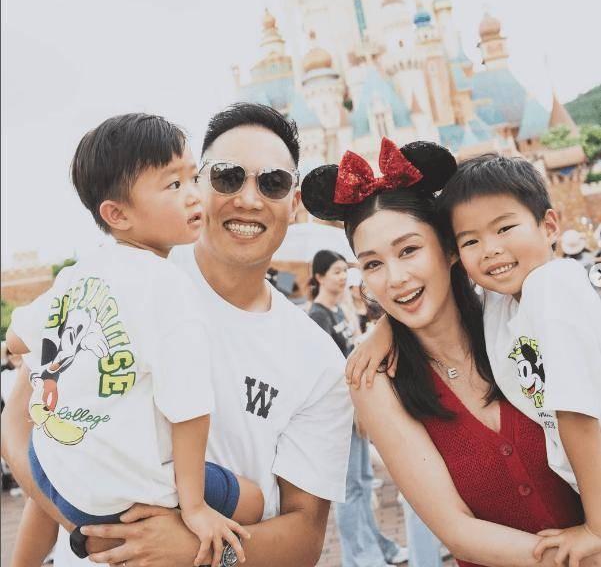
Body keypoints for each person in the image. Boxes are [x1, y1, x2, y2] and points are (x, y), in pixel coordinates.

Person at [2, 102, 353, 567]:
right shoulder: (135, 279)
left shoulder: (319, 361)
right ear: (200, 184)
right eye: (227, 177)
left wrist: (189, 550)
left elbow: (304, 539)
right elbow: (21, 422)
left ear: (294, 202)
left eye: (273, 182)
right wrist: (94, 535)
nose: (249, 199)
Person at [301, 136, 597, 567]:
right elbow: (458, 532)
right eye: (373, 264)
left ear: (449, 250)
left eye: (409, 250)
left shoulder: (514, 316)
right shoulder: (375, 380)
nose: (396, 278)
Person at [436, 155, 601, 566]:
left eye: (505, 228)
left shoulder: (552, 287)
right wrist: (383, 332)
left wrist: (596, 528)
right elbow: (445, 301)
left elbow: (577, 412)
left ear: (549, 226)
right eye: (470, 241)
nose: (491, 249)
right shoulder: (505, 300)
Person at [307, 249, 408, 567]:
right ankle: (360, 557)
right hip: (340, 415)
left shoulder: (339, 310)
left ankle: (375, 546)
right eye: (335, 272)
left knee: (363, 482)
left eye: (344, 271)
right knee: (350, 488)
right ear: (319, 277)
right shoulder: (318, 316)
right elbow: (325, 372)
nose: (342, 277)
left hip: (356, 409)